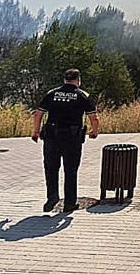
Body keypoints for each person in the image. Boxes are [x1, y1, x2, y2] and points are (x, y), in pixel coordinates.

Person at [31, 68, 99, 213]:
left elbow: (38, 114)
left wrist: (36, 132)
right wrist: (94, 132)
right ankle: (70, 203)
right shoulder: (82, 95)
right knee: (70, 170)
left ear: (64, 79)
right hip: (71, 138)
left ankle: (52, 197)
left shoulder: (52, 94)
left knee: (51, 169)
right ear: (78, 80)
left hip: (51, 137)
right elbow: (94, 117)